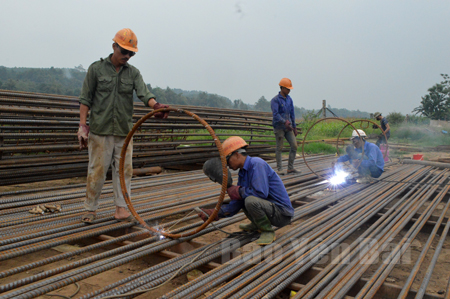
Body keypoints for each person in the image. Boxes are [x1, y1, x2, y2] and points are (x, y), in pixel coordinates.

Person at [77, 28, 170, 223]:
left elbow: (144, 94)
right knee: (97, 170)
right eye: (124, 52)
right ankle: (90, 209)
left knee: (124, 171)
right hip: (100, 130)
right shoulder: (96, 69)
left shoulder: (133, 73)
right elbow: (85, 99)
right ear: (114, 47)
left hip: (124, 131)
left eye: (131, 53)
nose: (127, 56)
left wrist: (156, 107)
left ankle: (121, 209)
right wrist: (83, 125)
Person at [198, 136, 294, 245]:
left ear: (237, 154)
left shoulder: (256, 164)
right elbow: (238, 202)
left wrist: (238, 191)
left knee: (249, 200)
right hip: (270, 209)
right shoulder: (243, 173)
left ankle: (267, 231)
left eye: (227, 160)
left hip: (281, 214)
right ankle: (257, 224)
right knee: (244, 198)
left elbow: (260, 193)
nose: (227, 165)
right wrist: (216, 213)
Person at [270, 78, 300, 175]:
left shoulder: (289, 99)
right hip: (279, 127)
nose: (289, 90)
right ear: (282, 88)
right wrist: (284, 122)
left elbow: (292, 113)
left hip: (288, 127)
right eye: (287, 89)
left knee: (294, 145)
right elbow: (276, 114)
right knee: (280, 147)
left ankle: (290, 168)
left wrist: (294, 127)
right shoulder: (275, 100)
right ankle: (280, 169)